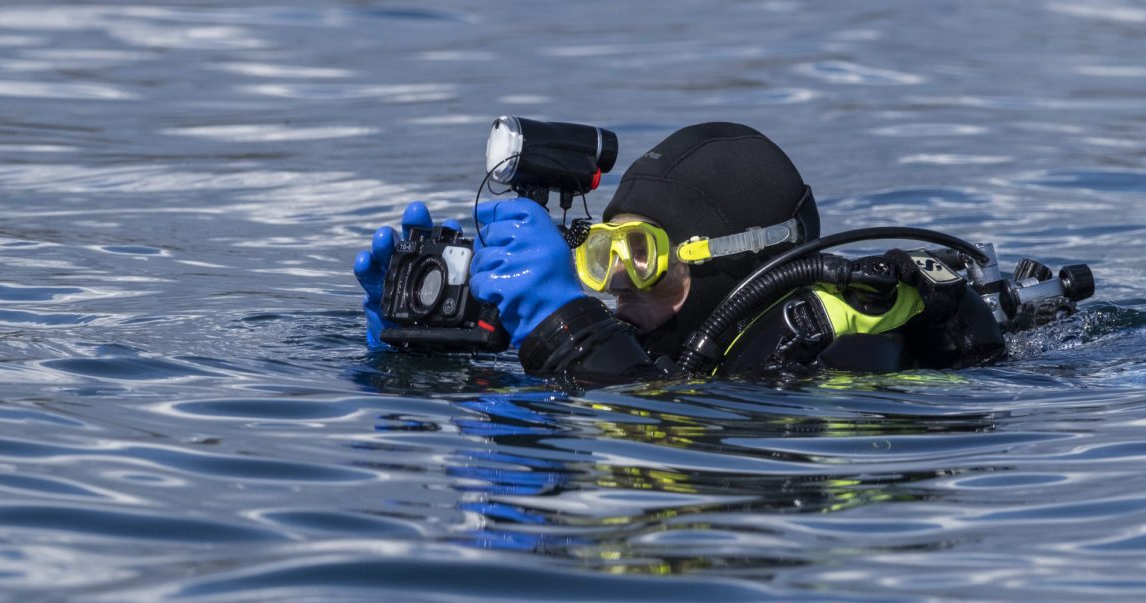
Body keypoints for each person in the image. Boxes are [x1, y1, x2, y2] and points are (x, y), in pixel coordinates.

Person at [354, 122, 1005, 385]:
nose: (617, 286)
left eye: (642, 256)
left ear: (733, 262)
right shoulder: (673, 344)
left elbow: (651, 409)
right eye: (601, 252)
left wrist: (560, 318)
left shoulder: (823, 349)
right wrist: (434, 337)